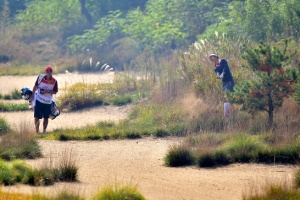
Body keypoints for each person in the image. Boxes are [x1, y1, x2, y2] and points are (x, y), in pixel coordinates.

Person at [29, 66, 58, 133]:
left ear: (51, 72)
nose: (48, 72)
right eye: (47, 71)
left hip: (48, 102)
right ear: (45, 72)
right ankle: (37, 130)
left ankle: (44, 131)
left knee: (46, 117)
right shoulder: (40, 77)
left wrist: (47, 91)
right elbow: (35, 86)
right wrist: (33, 95)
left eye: (50, 71)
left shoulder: (54, 81)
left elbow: (55, 92)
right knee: (36, 116)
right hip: (39, 100)